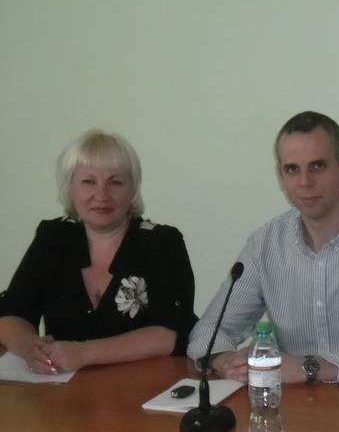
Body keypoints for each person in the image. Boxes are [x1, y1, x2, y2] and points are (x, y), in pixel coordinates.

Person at [187, 111, 339, 386]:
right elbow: (207, 332)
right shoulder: (265, 245)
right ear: (280, 175)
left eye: (318, 166)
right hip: (294, 404)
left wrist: (310, 367)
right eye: (292, 169)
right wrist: (223, 360)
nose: (304, 182)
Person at [0, 130, 198, 373]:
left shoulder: (162, 242)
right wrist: (30, 349)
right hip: (63, 388)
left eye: (115, 182)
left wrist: (82, 353)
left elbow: (170, 333)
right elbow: (11, 313)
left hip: (142, 386)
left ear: (132, 189)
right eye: (88, 182)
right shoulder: (53, 238)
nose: (102, 195)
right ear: (69, 188)